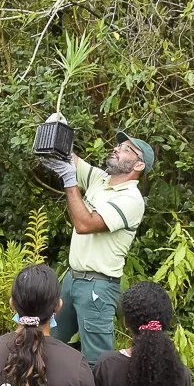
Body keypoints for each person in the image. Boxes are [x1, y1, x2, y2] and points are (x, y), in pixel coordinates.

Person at [41, 132, 154, 371]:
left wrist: (69, 180)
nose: (117, 148)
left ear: (139, 165)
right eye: (119, 145)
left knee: (97, 362)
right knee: (49, 344)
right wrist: (57, 130)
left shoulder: (131, 199)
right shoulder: (100, 180)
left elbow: (85, 224)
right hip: (72, 279)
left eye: (126, 148)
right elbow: (70, 159)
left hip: (97, 287)